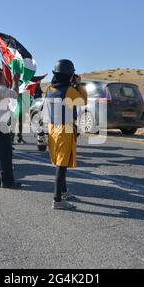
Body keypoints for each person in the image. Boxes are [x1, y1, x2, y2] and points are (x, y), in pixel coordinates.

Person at [45, 59, 88, 210]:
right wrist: (79, 85)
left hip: (52, 128)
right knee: (62, 164)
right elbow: (83, 101)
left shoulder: (49, 89)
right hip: (65, 129)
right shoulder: (69, 90)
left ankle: (63, 192)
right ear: (69, 75)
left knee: (59, 161)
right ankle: (57, 200)